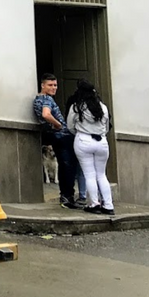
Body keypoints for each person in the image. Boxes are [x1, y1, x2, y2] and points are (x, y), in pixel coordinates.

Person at [34, 74, 82, 209]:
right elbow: (46, 114)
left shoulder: (38, 99)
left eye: (55, 85)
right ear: (43, 85)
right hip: (62, 136)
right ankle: (68, 198)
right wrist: (58, 125)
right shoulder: (47, 99)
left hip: (54, 136)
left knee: (63, 166)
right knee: (68, 167)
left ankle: (66, 197)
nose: (54, 87)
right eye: (50, 85)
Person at [67, 80, 114, 215]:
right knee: (101, 174)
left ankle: (94, 203)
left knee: (89, 174)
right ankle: (108, 205)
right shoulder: (103, 108)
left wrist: (80, 132)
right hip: (101, 141)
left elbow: (70, 126)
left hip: (83, 139)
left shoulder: (77, 107)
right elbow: (106, 127)